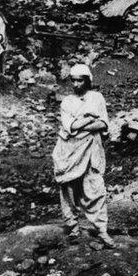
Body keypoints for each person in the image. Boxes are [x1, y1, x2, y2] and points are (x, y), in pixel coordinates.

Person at [52, 64, 115, 248]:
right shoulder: (67, 102)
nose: (76, 84)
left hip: (91, 149)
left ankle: (102, 230)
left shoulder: (97, 98)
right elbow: (68, 126)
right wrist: (89, 119)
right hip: (69, 150)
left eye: (81, 80)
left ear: (88, 81)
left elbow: (103, 124)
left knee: (95, 187)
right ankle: (72, 226)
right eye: (74, 80)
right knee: (68, 188)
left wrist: (81, 124)